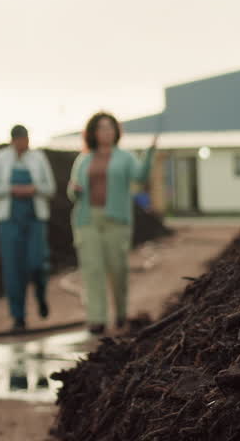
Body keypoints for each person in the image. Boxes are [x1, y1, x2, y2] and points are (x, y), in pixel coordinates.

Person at [66, 112, 155, 335]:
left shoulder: (125, 158)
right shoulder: (83, 159)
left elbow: (140, 177)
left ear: (116, 132)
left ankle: (121, 313)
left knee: (118, 269)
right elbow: (72, 190)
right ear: (93, 133)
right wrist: (75, 190)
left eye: (110, 127)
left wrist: (150, 154)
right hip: (87, 220)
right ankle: (97, 319)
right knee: (92, 269)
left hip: (116, 221)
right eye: (101, 128)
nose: (106, 132)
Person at [0, 124, 56, 332]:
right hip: (9, 221)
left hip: (34, 220)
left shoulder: (38, 158)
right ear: (12, 140)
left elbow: (50, 188)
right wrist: (11, 189)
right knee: (13, 268)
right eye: (19, 140)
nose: (23, 143)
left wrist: (34, 189)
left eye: (25, 139)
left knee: (36, 263)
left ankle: (41, 296)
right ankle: (18, 317)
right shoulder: (0, 158)